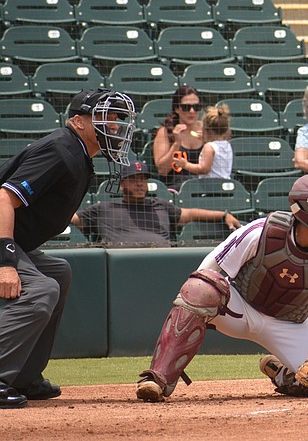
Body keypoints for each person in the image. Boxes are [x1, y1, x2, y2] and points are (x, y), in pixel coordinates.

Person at [136, 174, 308, 402]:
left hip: (291, 323)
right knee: (200, 287)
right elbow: (207, 270)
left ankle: (283, 373)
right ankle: (158, 379)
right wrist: (197, 309)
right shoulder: (263, 231)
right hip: (240, 308)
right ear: (307, 211)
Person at [0, 88, 136, 409]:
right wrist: (5, 262)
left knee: (58, 272)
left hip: (16, 241)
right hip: (4, 241)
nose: (114, 125)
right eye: (105, 117)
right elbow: (3, 198)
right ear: (78, 121)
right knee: (41, 289)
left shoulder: (78, 155)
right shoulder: (60, 151)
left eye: (117, 119)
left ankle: (24, 376)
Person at [71, 161, 241, 247]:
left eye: (143, 180)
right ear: (122, 184)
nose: (140, 184)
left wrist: (224, 215)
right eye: (134, 180)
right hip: (121, 264)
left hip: (161, 260)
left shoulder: (160, 206)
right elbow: (71, 218)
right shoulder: (103, 209)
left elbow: (191, 213)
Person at [153, 86, 204, 190]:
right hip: (176, 188)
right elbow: (162, 170)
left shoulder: (207, 129)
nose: (192, 111)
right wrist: (176, 144)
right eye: (186, 107)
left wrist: (210, 142)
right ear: (176, 108)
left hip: (204, 186)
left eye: (196, 107)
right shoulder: (165, 132)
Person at [172, 104, 232, 180]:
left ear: (207, 130)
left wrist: (186, 165)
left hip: (211, 187)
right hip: (225, 183)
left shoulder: (209, 147)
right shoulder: (227, 144)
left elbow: (203, 169)